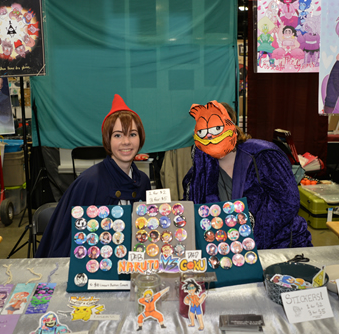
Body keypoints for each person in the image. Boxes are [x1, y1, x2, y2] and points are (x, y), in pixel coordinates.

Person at [182, 101, 311, 249]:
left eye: (216, 128)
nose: (211, 136)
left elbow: (288, 202)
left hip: (280, 245)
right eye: (204, 131)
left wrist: (251, 233)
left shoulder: (262, 156)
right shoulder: (201, 171)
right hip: (228, 251)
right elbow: (194, 210)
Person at [36, 95, 152, 258]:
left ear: (141, 138)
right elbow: (68, 238)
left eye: (132, 134)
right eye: (118, 135)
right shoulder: (89, 182)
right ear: (107, 140)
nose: (126, 142)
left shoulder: (143, 181)